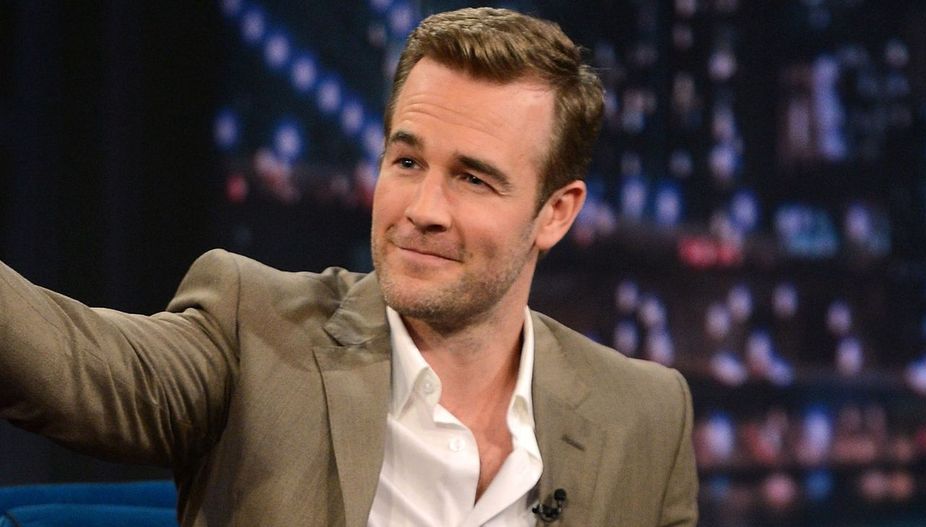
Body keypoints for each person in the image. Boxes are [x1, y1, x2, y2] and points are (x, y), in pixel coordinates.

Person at [0, 7, 697, 527]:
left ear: (556, 213)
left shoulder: (645, 415)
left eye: (473, 179)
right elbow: (75, 366)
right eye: (407, 161)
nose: (422, 209)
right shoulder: (255, 332)